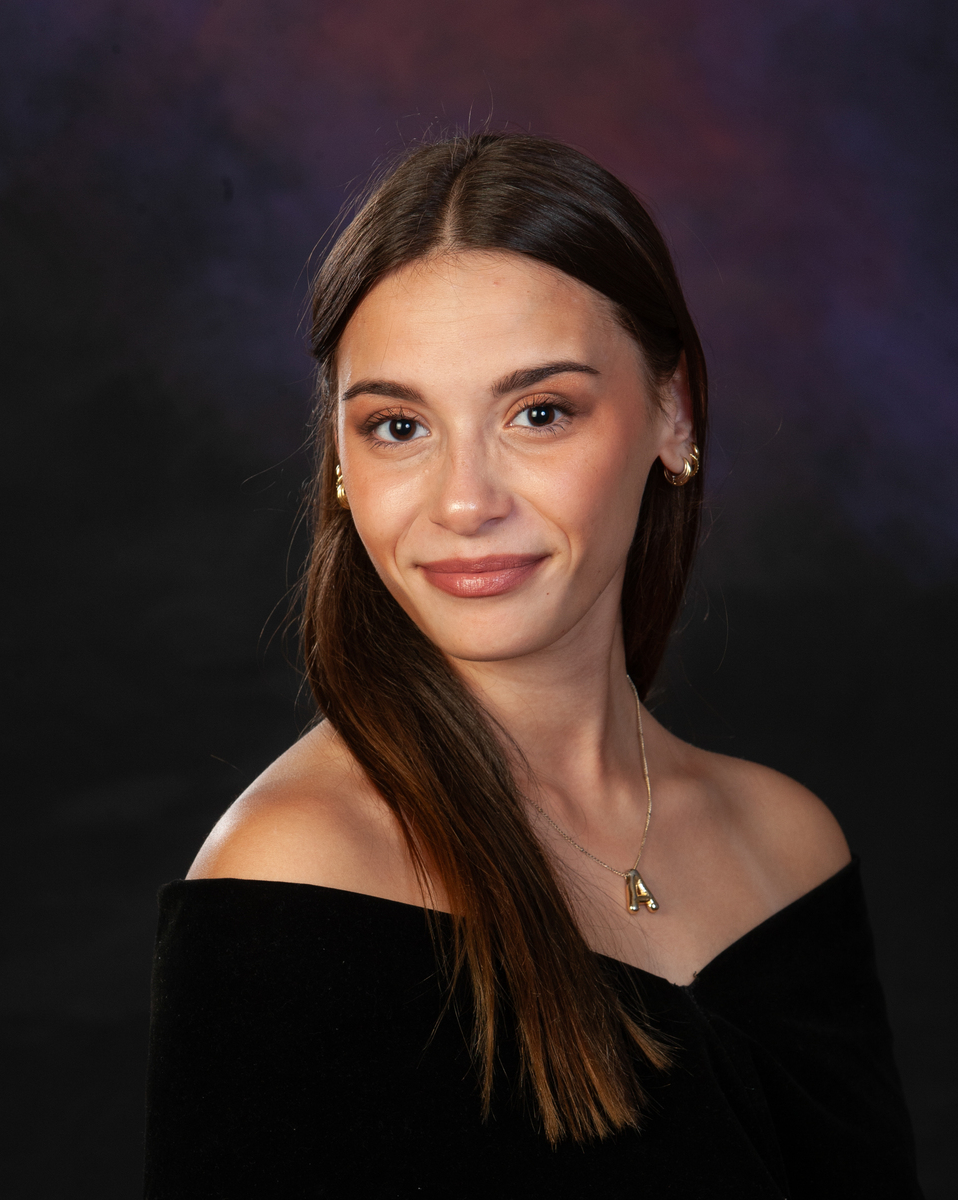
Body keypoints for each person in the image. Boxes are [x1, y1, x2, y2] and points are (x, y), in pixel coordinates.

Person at [143, 133, 922, 1198]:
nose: (465, 502)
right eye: (399, 425)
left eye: (538, 413)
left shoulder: (790, 845)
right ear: (340, 461)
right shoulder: (292, 879)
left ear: (673, 412)